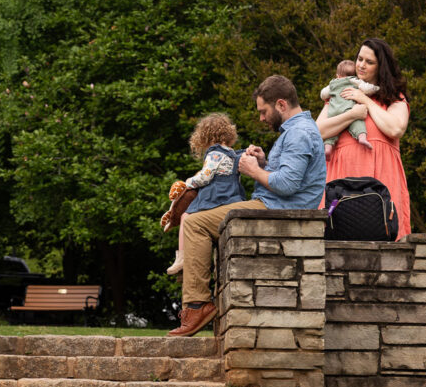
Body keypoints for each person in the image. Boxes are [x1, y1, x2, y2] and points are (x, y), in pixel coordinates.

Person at [168, 75, 326, 337]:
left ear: (281, 104)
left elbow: (286, 186)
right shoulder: (299, 130)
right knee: (196, 217)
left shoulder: (299, 133)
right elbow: (289, 176)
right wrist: (264, 163)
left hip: (278, 210)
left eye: (264, 111)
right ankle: (197, 303)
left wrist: (253, 171)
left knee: (194, 223)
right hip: (275, 204)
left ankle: (197, 306)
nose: (262, 118)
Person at [316, 38, 411, 239]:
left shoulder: (394, 98)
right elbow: (318, 133)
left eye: (369, 62)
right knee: (337, 238)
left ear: (381, 67)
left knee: (385, 238)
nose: (361, 65)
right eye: (359, 59)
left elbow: (395, 129)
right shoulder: (341, 93)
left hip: (381, 178)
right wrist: (352, 114)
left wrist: (364, 99)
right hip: (342, 178)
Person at [164, 113, 248, 276]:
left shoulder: (214, 154)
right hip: (231, 196)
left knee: (186, 217)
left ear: (205, 137)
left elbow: (206, 176)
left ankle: (181, 258)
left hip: (215, 195)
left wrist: (188, 182)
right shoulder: (232, 154)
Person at [320, 59, 379, 160]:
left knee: (332, 132)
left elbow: (323, 94)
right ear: (354, 74)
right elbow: (367, 88)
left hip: (333, 111)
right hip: (348, 108)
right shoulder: (353, 80)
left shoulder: (332, 84)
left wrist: (328, 97)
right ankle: (362, 138)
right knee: (358, 123)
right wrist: (377, 88)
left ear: (337, 75)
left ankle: (328, 148)